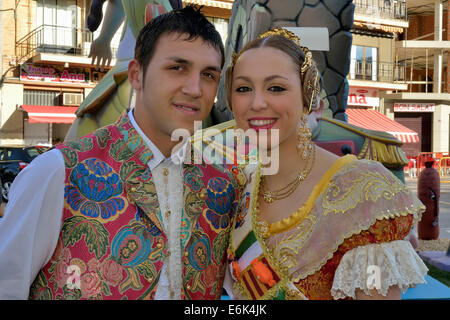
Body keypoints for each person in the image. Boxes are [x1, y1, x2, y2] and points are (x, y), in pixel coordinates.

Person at [0, 6, 243, 300]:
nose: (195, 88)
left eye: (208, 75)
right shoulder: (58, 173)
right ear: (136, 75)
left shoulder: (224, 186)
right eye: (177, 67)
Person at [223, 28, 428, 300]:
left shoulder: (364, 192)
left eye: (276, 87)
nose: (257, 102)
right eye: (243, 88)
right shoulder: (239, 186)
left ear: (308, 99)